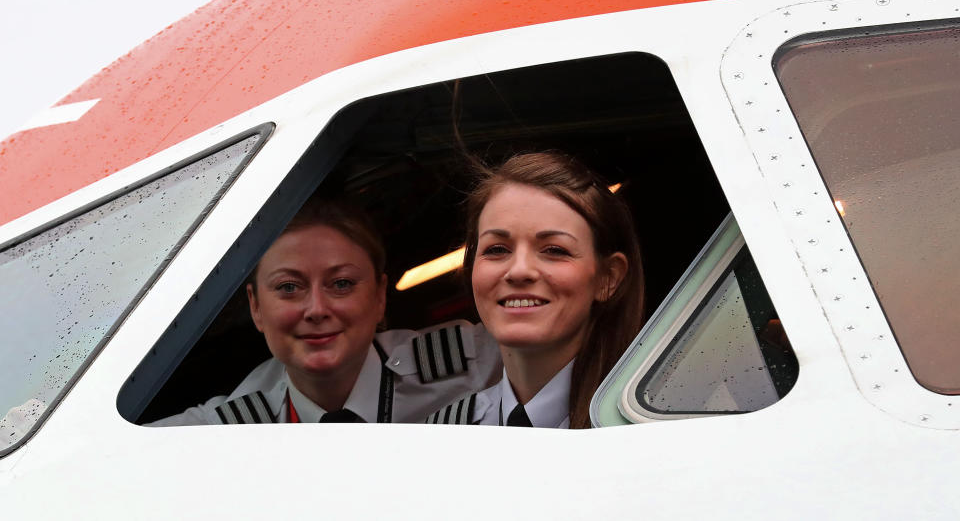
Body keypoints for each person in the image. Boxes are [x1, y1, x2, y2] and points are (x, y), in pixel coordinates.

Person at [150, 198, 501, 426]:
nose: (316, 309)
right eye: (289, 287)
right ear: (256, 307)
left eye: (342, 284)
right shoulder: (226, 430)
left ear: (380, 297)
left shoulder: (475, 364)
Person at [426, 152, 645, 429]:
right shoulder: (442, 436)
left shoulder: (655, 427)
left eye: (554, 250)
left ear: (608, 278)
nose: (519, 270)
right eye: (497, 249)